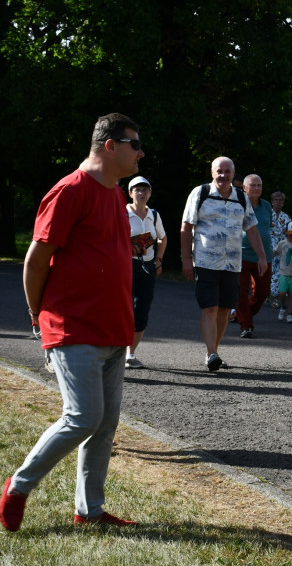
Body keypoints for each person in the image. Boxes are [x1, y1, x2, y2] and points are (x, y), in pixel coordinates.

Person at [1, 112, 143, 532]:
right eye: (134, 144)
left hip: (114, 327)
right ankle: (17, 487)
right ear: (109, 146)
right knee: (82, 417)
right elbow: (35, 260)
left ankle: (89, 511)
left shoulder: (115, 193)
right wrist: (37, 316)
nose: (141, 152)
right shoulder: (70, 190)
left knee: (104, 424)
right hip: (72, 325)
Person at [181, 157, 267, 371]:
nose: (223, 175)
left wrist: (262, 256)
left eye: (227, 171)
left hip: (232, 264)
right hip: (205, 261)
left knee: (224, 309)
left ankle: (214, 352)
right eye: (219, 171)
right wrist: (186, 259)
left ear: (233, 173)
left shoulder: (241, 197)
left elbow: (252, 229)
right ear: (212, 172)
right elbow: (186, 228)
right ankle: (212, 353)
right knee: (210, 307)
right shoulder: (200, 194)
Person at [125, 175, 167, 369]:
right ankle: (117, 352)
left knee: (142, 310)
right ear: (130, 193)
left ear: (150, 193)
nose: (141, 193)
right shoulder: (122, 213)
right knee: (123, 309)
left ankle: (131, 354)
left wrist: (158, 260)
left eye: (145, 190)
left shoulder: (154, 215)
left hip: (147, 266)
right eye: (137, 190)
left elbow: (162, 238)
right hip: (125, 266)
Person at [236, 174, 274, 338]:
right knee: (241, 293)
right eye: (253, 185)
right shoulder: (238, 205)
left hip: (264, 257)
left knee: (263, 293)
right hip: (242, 256)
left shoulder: (266, 206)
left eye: (259, 185)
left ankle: (243, 314)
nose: (257, 188)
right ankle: (246, 325)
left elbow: (267, 227)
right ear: (244, 188)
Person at [269, 190, 292, 311]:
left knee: (279, 273)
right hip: (268, 246)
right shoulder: (267, 215)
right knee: (268, 272)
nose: (278, 202)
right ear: (272, 202)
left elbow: (289, 234)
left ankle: (276, 297)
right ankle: (268, 294)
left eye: (280, 200)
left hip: (282, 247)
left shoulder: (286, 217)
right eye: (276, 200)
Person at [274, 221, 292, 323]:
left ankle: (290, 314)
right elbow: (275, 252)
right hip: (283, 273)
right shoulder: (282, 243)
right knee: (282, 293)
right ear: (286, 232)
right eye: (290, 234)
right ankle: (283, 307)